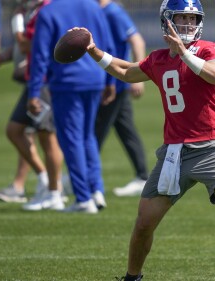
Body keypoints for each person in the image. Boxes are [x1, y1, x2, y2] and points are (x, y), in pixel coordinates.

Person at [78, 0, 215, 279]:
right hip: (174, 152)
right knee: (144, 222)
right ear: (166, 21)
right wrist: (92, 50)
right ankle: (132, 277)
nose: (187, 24)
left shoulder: (207, 49)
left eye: (192, 19)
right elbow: (125, 71)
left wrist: (185, 54)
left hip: (212, 148)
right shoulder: (159, 59)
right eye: (181, 18)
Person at [28, 0, 115, 213]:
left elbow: (39, 55)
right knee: (87, 137)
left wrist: (33, 92)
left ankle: (83, 198)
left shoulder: (48, 12)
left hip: (66, 83)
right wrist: (111, 81)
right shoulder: (94, 7)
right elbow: (109, 43)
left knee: (71, 139)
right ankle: (96, 190)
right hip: (95, 78)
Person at [0, 0, 66, 211]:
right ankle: (45, 180)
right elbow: (20, 47)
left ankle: (55, 192)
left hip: (44, 82)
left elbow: (27, 45)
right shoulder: (32, 10)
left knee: (47, 137)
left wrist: (16, 25)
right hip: (34, 81)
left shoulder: (45, 10)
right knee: (15, 130)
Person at [96, 0, 149, 197]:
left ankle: (81, 177)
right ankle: (143, 177)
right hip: (111, 82)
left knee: (95, 132)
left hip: (116, 84)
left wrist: (138, 78)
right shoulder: (100, 10)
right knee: (125, 130)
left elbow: (137, 41)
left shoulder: (113, 12)